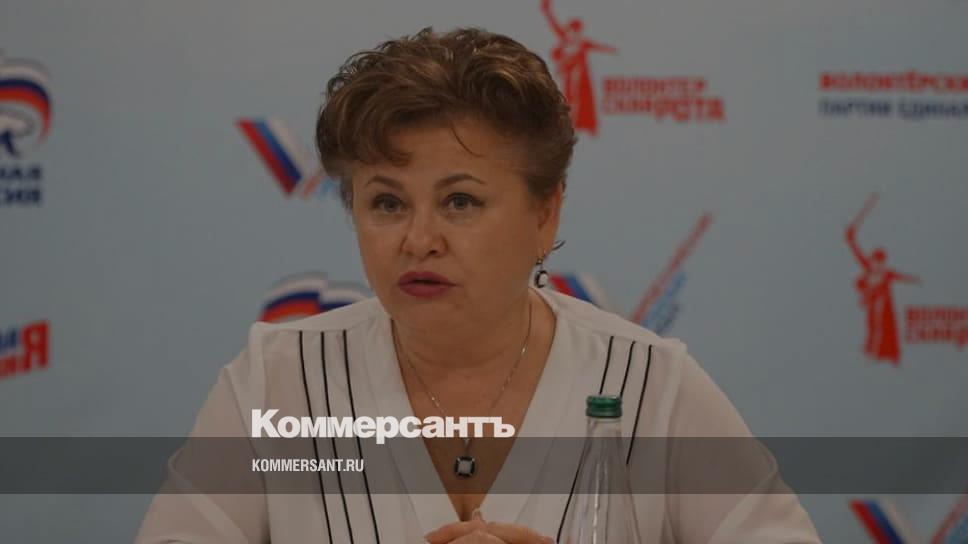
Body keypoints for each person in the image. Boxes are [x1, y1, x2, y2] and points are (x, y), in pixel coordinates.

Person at [135, 27, 820, 543]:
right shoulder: (277, 383)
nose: (418, 238)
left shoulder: (649, 387)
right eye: (387, 202)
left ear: (545, 212)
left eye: (459, 201)